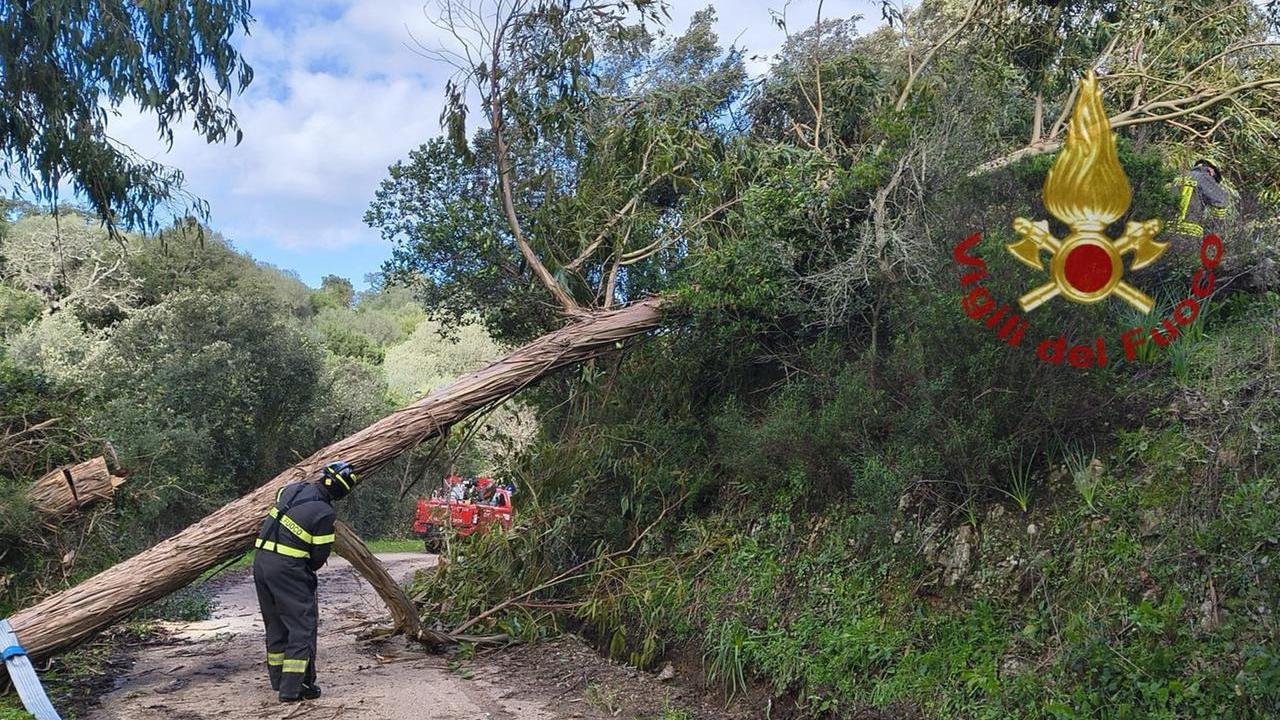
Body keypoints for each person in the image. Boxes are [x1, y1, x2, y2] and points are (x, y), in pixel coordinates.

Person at [252, 460, 358, 703]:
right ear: (342, 492)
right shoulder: (325, 513)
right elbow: (318, 557)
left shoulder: (292, 489)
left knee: (275, 623)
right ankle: (295, 688)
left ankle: (278, 680)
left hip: (261, 562)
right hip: (288, 568)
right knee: (301, 626)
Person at [1170, 159, 1231, 242]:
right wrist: (1214, 229)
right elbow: (1221, 200)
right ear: (1211, 171)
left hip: (1167, 231)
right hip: (1189, 234)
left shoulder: (1177, 178)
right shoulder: (1204, 177)